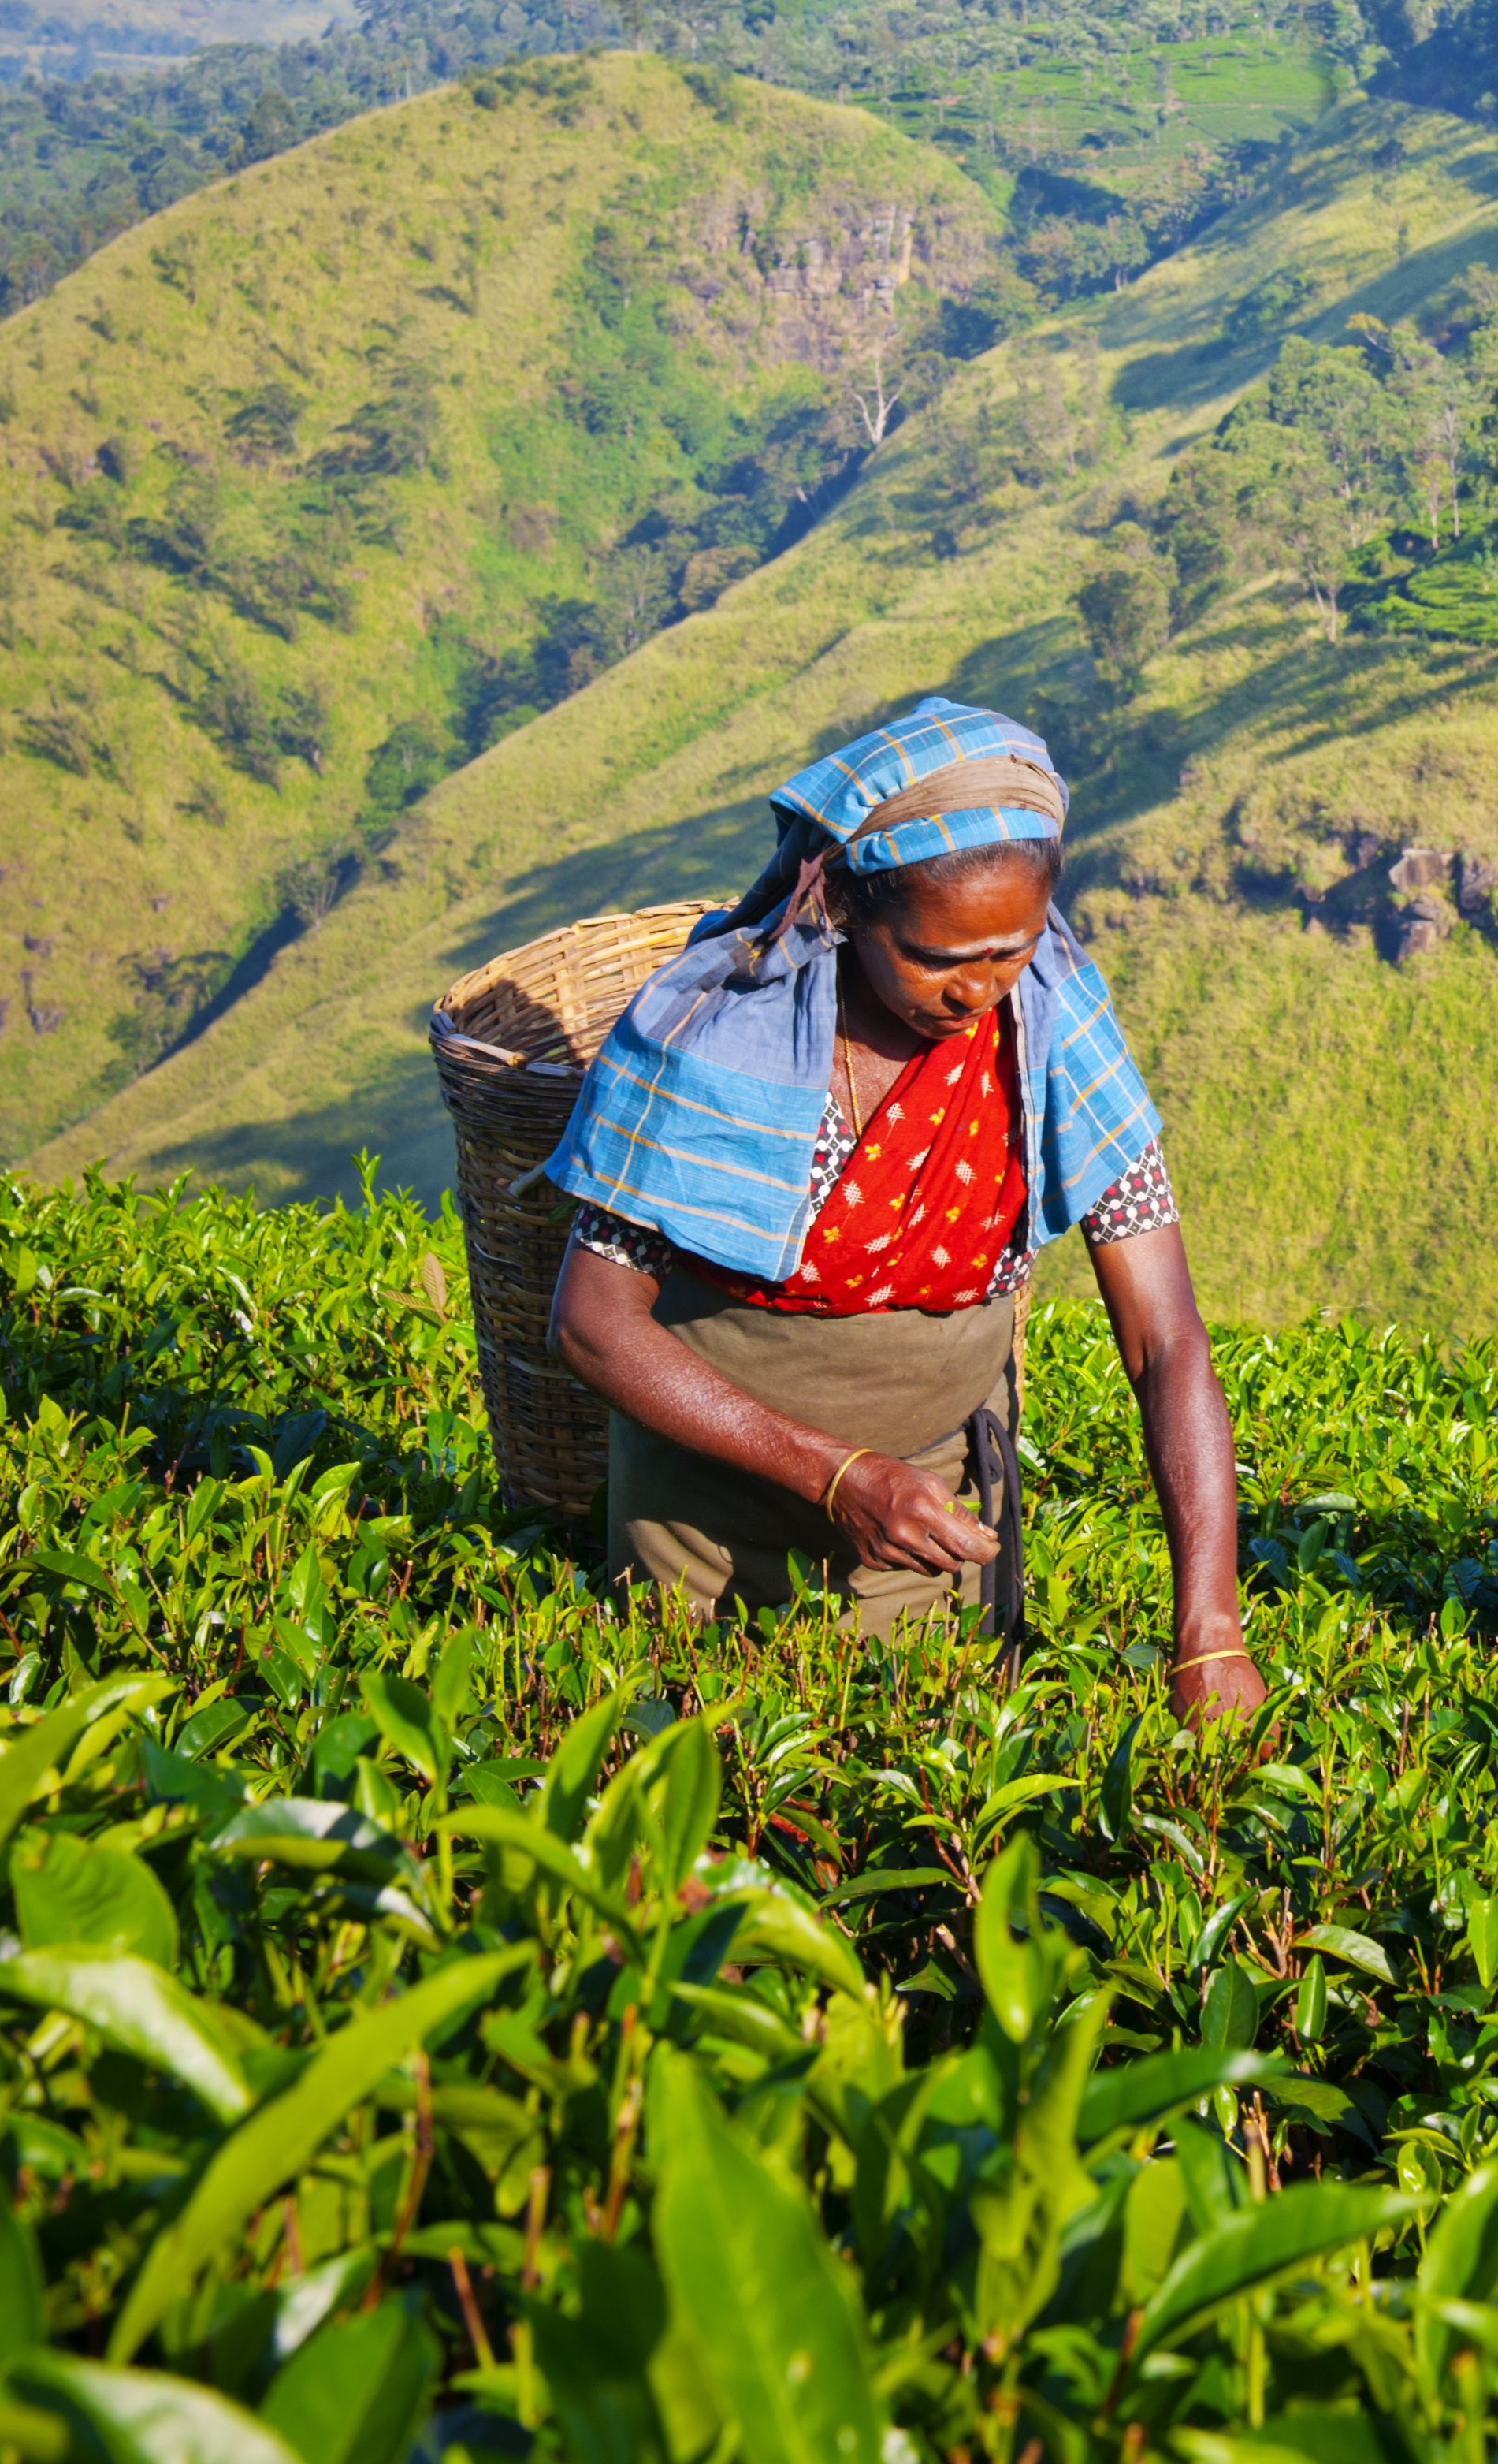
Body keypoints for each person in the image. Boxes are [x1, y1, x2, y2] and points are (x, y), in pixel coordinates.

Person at [541, 694, 1267, 1729]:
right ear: (843, 908)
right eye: (936, 959)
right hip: (701, 1524)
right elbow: (591, 1322)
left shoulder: (1054, 1034)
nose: (977, 992)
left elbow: (1167, 1341)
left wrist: (1210, 1627)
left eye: (1009, 949)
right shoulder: (718, 1042)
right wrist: (833, 1474)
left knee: (920, 1805)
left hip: (930, 1517)